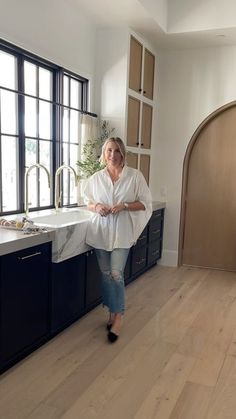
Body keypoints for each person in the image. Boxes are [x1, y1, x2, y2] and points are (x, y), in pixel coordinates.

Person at [83, 137, 152, 343]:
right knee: (105, 275)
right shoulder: (96, 178)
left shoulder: (134, 176)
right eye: (109, 151)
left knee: (116, 273)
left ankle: (119, 316)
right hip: (100, 233)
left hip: (122, 234)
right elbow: (87, 202)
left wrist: (125, 205)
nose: (113, 155)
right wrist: (96, 207)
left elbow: (145, 203)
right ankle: (112, 313)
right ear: (104, 154)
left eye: (117, 151)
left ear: (123, 154)